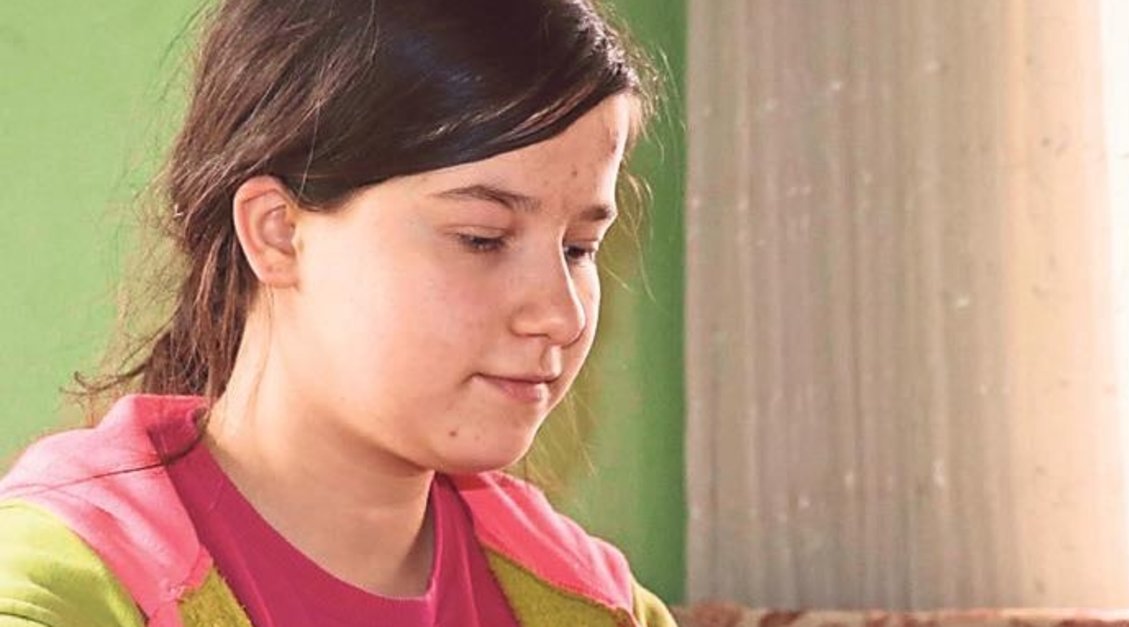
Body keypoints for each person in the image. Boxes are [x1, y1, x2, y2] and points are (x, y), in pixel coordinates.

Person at [0, 0, 677, 625]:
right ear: (277, 233)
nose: (560, 315)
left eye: (579, 247)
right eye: (482, 238)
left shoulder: (600, 605)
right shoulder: (61, 592)